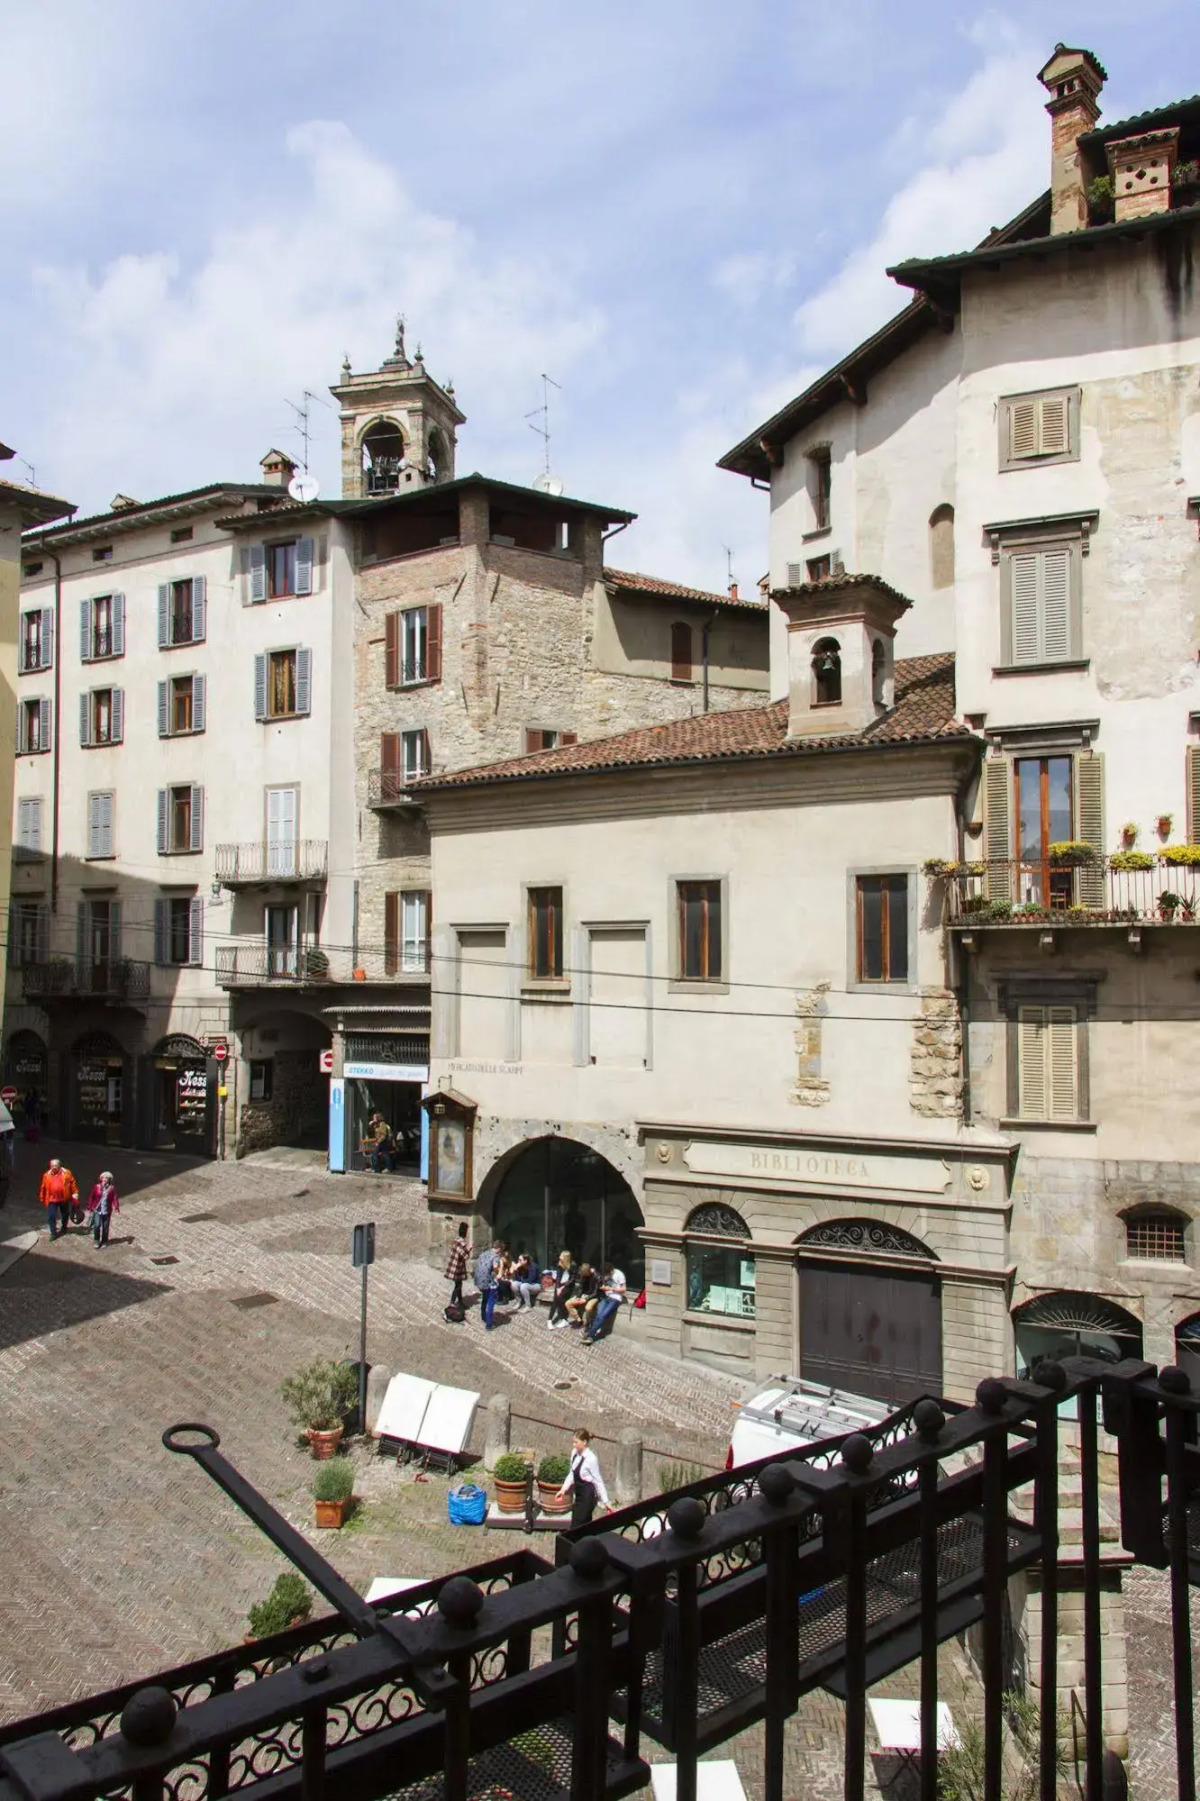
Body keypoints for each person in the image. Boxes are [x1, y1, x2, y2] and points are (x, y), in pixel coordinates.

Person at [556, 1427, 611, 1526]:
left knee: (577, 1524)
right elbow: (572, 1473)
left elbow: (598, 1481)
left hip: (587, 1497)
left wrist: (606, 1502)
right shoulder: (574, 1453)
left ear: (584, 1442)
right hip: (579, 1495)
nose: (574, 1445)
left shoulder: (591, 1459)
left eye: (576, 1442)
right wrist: (563, 1489)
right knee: (583, 1525)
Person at [583, 1263, 627, 1344]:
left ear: (611, 1271)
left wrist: (611, 1289)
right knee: (598, 1315)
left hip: (615, 1298)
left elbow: (624, 1289)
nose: (606, 1275)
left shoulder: (619, 1274)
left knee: (602, 1316)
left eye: (607, 1274)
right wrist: (603, 1288)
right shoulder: (605, 1274)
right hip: (606, 1297)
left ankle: (590, 1335)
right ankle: (593, 1331)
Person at [39, 1158, 78, 1241]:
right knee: (51, 1216)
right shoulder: (47, 1175)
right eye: (52, 1166)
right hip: (52, 1199)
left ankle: (64, 1227)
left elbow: (72, 1183)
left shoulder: (67, 1173)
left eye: (55, 1165)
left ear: (60, 1166)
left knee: (65, 1214)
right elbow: (43, 1187)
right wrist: (42, 1196)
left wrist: (75, 1193)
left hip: (63, 1198)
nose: (53, 1167)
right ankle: (53, 1233)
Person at [87, 1171, 120, 1249]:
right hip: (97, 1210)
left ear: (109, 1180)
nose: (105, 1179)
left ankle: (104, 1241)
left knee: (105, 1227)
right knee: (97, 1225)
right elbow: (92, 1197)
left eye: (107, 1178)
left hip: (107, 1210)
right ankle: (96, 1240)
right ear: (101, 1179)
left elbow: (114, 1198)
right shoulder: (97, 1187)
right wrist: (90, 1207)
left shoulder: (111, 1189)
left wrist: (116, 1207)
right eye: (103, 1178)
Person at [474, 1238, 502, 1330]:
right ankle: (489, 1324)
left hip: (480, 1281)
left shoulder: (484, 1253)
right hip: (489, 1282)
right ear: (499, 1249)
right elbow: (495, 1268)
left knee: (484, 1299)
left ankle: (483, 1316)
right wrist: (500, 1269)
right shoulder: (496, 1256)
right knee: (491, 1302)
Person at [444, 1220, 471, 1312]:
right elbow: (465, 1256)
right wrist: (469, 1249)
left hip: (454, 1266)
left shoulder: (455, 1241)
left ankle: (460, 1302)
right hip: (457, 1268)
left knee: (458, 1284)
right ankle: (452, 1302)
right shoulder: (462, 1244)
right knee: (458, 1286)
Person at [564, 1262, 599, 1329]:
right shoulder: (583, 1274)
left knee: (588, 1308)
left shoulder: (596, 1276)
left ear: (588, 1271)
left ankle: (588, 1324)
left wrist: (586, 1298)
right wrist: (579, 1296)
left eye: (585, 1274)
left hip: (593, 1296)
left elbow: (596, 1292)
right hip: (584, 1295)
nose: (583, 1276)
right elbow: (581, 1287)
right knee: (567, 1303)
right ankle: (579, 1320)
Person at [547, 1250, 576, 1330]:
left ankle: (564, 1319)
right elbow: (558, 1278)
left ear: (566, 1258)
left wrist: (562, 1288)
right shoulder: (560, 1265)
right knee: (556, 1299)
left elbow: (572, 1279)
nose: (560, 1259)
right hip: (560, 1285)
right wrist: (557, 1288)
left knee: (561, 1299)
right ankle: (549, 1320)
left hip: (568, 1286)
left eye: (562, 1257)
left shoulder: (573, 1265)